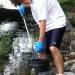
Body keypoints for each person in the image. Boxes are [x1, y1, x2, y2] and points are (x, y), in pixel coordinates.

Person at [10, 0, 66, 75]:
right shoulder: (30, 1)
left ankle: (60, 73)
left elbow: (43, 23)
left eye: (23, 1)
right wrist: (24, 6)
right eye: (22, 2)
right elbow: (32, 3)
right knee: (42, 51)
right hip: (47, 26)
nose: (25, 2)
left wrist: (40, 41)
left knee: (53, 48)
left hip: (57, 23)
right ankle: (43, 72)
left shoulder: (40, 1)